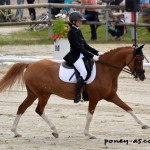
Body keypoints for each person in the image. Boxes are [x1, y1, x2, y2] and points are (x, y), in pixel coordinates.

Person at [63, 11, 101, 103]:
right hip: (75, 56)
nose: (81, 22)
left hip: (82, 55)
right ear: (73, 21)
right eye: (79, 21)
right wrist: (92, 56)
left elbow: (86, 46)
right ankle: (77, 95)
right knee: (83, 72)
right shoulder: (71, 32)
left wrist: (97, 52)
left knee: (90, 69)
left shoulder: (78, 30)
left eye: (81, 21)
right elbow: (79, 48)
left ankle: (85, 93)